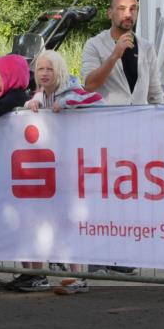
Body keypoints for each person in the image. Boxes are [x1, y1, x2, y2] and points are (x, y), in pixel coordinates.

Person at [19, 49, 104, 294]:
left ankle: (79, 277)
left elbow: (96, 99)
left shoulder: (71, 90)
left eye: (49, 69)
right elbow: (31, 105)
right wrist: (31, 103)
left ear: (60, 71)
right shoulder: (41, 94)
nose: (44, 74)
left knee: (69, 222)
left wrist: (67, 103)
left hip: (75, 168)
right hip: (53, 171)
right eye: (41, 69)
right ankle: (68, 275)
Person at [81, 0, 164, 106]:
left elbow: (155, 94)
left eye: (133, 9)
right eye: (122, 8)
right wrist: (114, 56)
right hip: (107, 120)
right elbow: (89, 86)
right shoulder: (94, 44)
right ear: (110, 13)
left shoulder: (146, 47)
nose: (128, 14)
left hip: (139, 120)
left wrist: (161, 119)